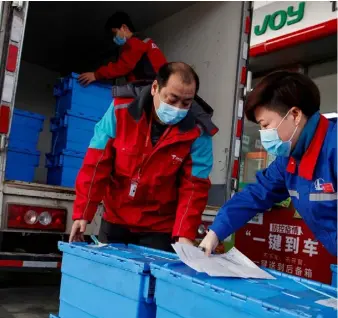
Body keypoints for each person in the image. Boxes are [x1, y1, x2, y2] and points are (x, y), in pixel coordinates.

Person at [70, 62, 219, 251]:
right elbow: (97, 164)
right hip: (116, 219)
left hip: (159, 227)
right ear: (155, 88)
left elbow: (194, 187)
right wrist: (83, 213)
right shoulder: (120, 111)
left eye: (186, 103)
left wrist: (185, 234)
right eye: (172, 100)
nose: (178, 108)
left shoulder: (199, 132)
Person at [199, 71, 337, 256]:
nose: (263, 134)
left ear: (295, 114)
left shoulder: (333, 148)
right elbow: (256, 194)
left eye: (265, 125)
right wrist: (215, 233)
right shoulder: (289, 160)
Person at [78, 11, 167, 86]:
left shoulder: (135, 42)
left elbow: (123, 66)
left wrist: (96, 75)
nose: (114, 38)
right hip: (159, 86)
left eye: (114, 33)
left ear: (124, 27)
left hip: (153, 87)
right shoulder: (144, 41)